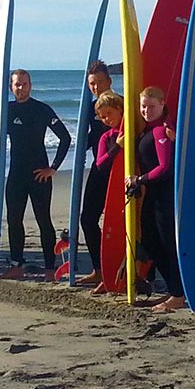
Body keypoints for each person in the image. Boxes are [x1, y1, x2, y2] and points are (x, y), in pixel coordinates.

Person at [2, 69, 71, 277]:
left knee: (43, 220)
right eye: (17, 84)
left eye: (24, 84)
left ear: (30, 86)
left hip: (39, 175)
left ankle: (50, 268)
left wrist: (53, 168)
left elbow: (65, 138)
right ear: (11, 87)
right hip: (15, 174)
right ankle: (16, 266)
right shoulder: (6, 110)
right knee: (14, 220)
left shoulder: (42, 110)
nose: (20, 88)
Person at [127, 86, 186, 312]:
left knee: (167, 244)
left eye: (151, 106)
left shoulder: (162, 130)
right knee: (152, 242)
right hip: (154, 194)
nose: (146, 110)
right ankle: (174, 291)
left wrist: (139, 179)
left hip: (164, 195)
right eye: (143, 106)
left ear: (162, 104)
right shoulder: (149, 129)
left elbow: (165, 167)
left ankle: (177, 294)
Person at [74, 61, 116, 282]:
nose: (97, 87)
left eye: (100, 82)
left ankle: (131, 270)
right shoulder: (90, 109)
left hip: (119, 171)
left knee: (121, 222)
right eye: (92, 83)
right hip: (99, 169)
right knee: (88, 219)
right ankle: (99, 270)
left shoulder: (121, 103)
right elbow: (94, 136)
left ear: (109, 81)